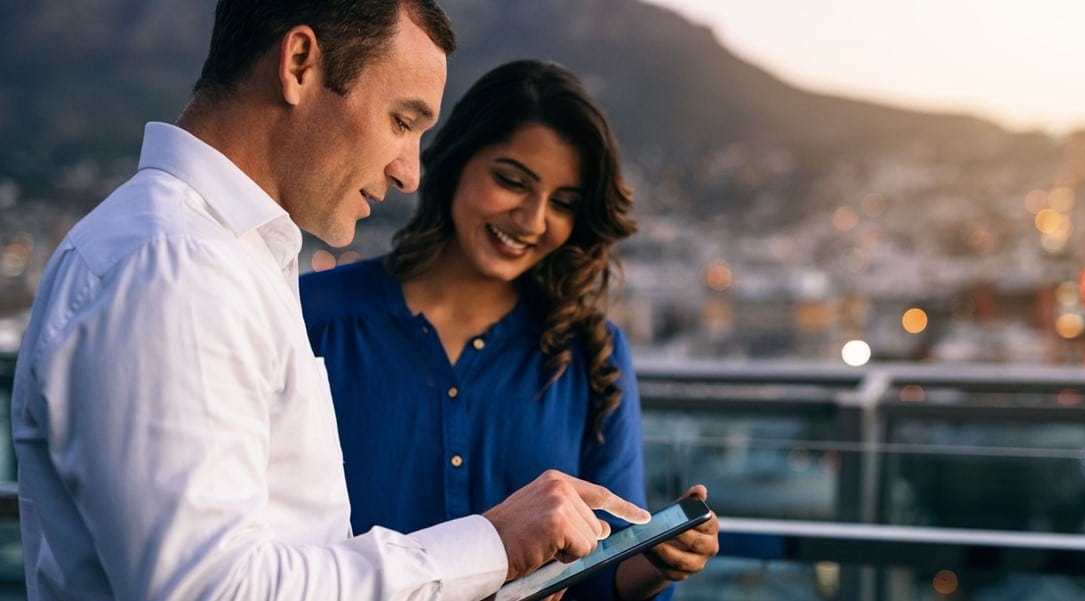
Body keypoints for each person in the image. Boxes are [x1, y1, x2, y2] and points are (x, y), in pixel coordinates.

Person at [10, 3, 650, 600]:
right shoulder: (173, 268)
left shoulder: (229, 262)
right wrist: (492, 546)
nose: (410, 172)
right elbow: (210, 589)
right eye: (402, 121)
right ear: (299, 65)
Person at [300, 60, 719, 601]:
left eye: (563, 204)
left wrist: (661, 560)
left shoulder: (592, 354)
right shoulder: (313, 316)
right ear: (456, 162)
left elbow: (601, 578)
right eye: (512, 181)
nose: (532, 220)